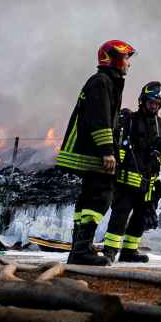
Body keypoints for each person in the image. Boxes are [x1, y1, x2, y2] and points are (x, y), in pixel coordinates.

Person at [56, 39, 134, 266]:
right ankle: (81, 249)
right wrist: (107, 151)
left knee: (89, 195)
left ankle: (80, 248)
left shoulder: (105, 81)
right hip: (93, 152)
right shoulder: (102, 82)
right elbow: (100, 119)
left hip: (89, 149)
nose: (129, 63)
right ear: (113, 58)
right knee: (101, 195)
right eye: (126, 58)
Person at [100, 81, 161, 263]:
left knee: (141, 218)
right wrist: (115, 171)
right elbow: (121, 148)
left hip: (148, 183)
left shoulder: (160, 124)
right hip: (127, 181)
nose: (154, 106)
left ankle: (129, 251)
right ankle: (110, 251)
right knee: (120, 215)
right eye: (151, 102)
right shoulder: (130, 120)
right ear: (143, 100)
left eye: (158, 104)